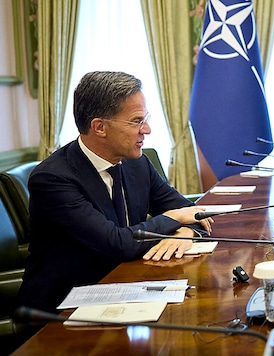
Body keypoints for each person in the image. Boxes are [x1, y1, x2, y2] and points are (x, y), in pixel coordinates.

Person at [18, 71, 214, 314]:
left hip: (125, 286)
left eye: (146, 118)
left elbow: (193, 213)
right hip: (62, 309)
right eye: (136, 121)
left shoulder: (137, 163)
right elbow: (116, 243)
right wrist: (174, 219)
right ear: (100, 127)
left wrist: (184, 232)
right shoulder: (53, 179)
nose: (148, 130)